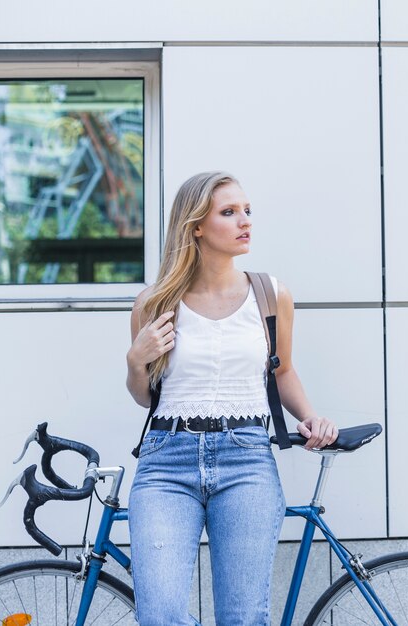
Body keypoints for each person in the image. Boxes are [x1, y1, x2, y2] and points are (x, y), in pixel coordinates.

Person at [126, 171, 338, 626]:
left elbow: (282, 372)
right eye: (229, 212)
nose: (245, 221)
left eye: (247, 211)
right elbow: (145, 397)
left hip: (246, 459)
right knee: (159, 614)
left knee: (243, 618)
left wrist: (311, 417)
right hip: (166, 463)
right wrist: (135, 360)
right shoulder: (155, 303)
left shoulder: (270, 294)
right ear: (196, 226)